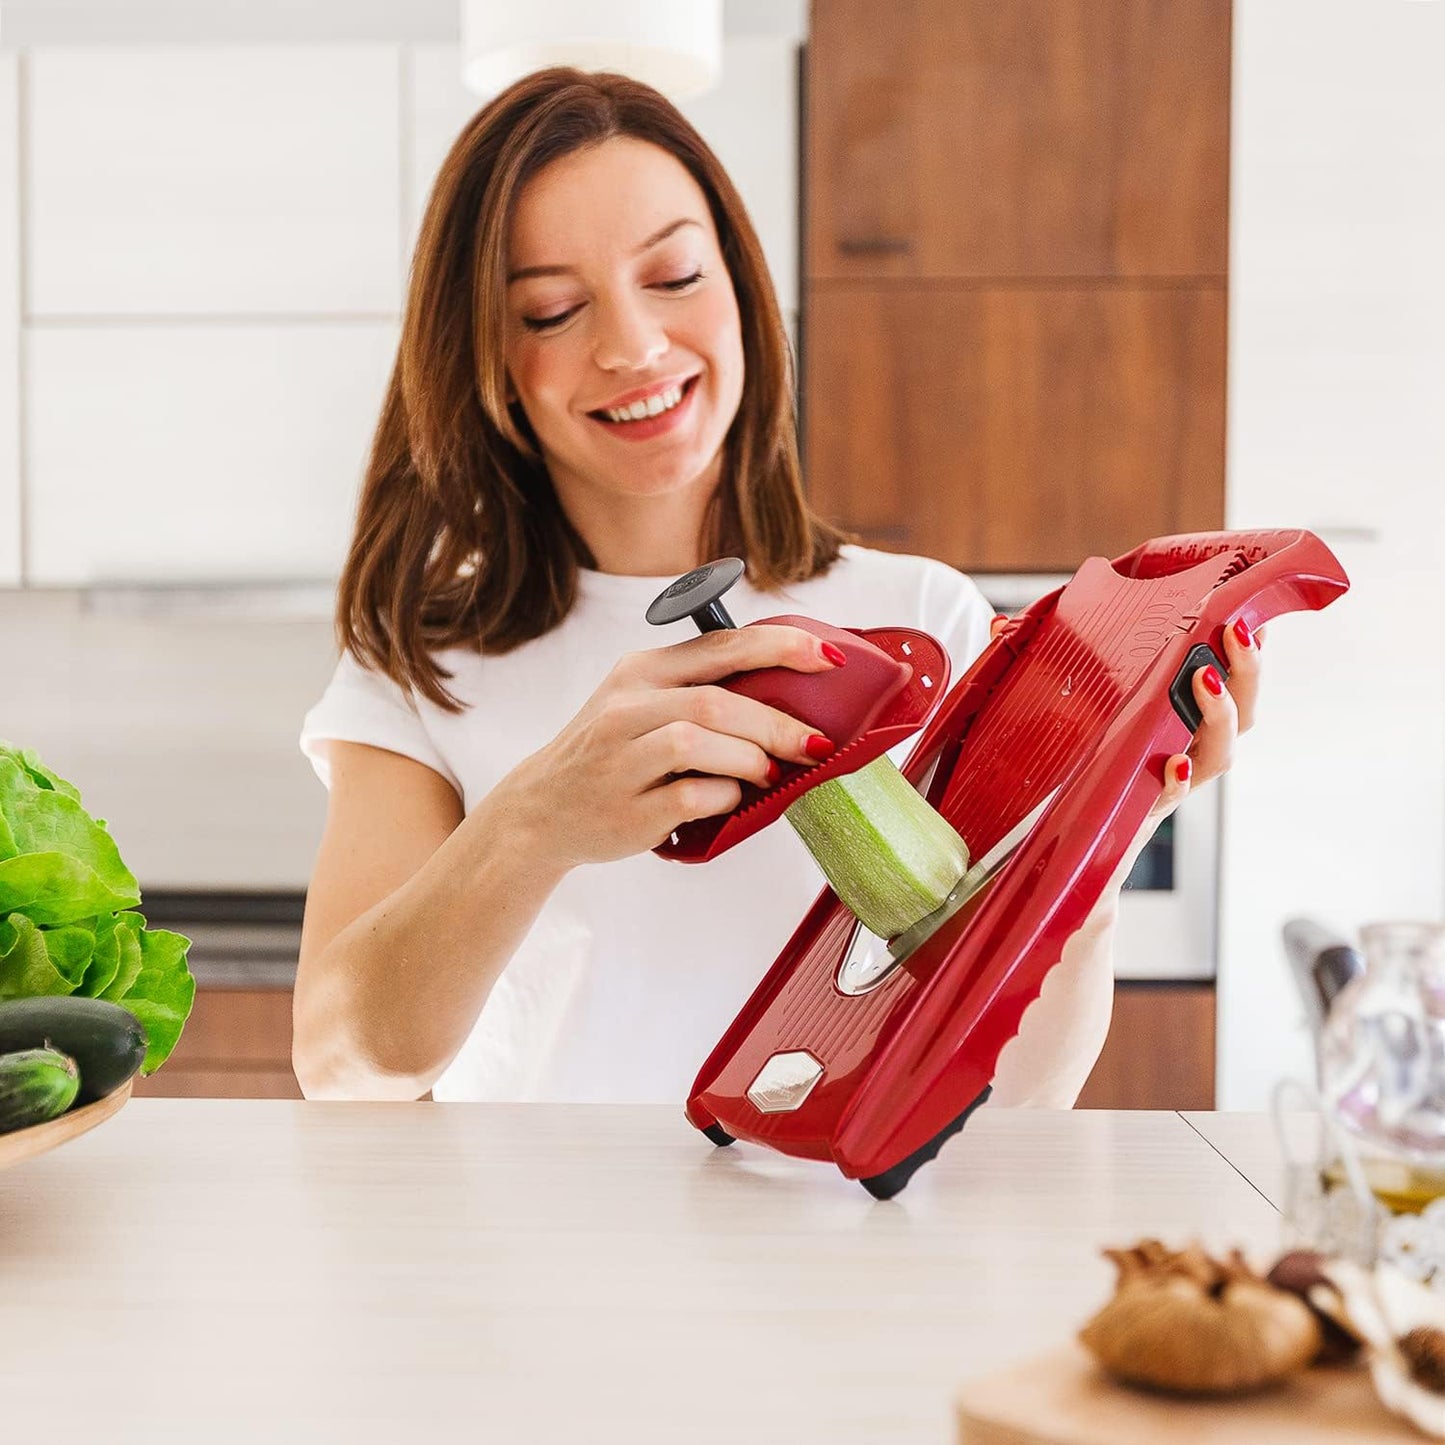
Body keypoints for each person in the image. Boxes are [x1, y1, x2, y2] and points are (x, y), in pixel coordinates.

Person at [293, 67, 1261, 1108]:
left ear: (740, 286)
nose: (632, 345)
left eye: (674, 276)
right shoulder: (420, 662)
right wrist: (534, 821)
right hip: (534, 1217)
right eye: (552, 310)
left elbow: (1011, 1096)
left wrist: (1097, 843)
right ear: (482, 352)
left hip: (842, 1215)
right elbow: (342, 1064)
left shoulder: (926, 618)